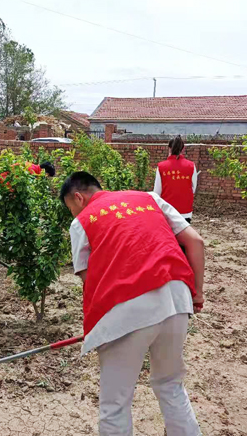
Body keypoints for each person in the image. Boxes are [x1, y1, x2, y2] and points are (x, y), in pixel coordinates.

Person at [60, 171, 205, 436]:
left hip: (126, 309)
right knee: (171, 384)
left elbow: (90, 279)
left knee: (115, 403)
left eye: (71, 208)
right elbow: (195, 241)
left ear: (78, 198)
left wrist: (103, 327)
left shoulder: (81, 223)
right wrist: (197, 295)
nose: (73, 213)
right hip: (177, 297)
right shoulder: (149, 198)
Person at [153, 136, 198, 223]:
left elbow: (156, 192)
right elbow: (193, 189)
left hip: (167, 211)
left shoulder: (162, 167)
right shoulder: (191, 166)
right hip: (185, 211)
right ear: (183, 149)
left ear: (169, 148)